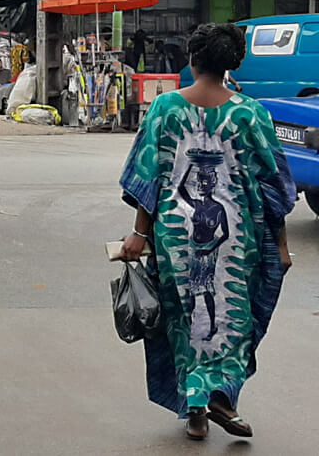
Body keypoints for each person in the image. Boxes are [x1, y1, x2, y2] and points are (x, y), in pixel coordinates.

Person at [118, 23, 295, 442]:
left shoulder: (164, 109)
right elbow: (274, 187)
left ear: (192, 61)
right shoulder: (251, 114)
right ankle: (220, 399)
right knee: (231, 319)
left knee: (184, 322)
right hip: (239, 242)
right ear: (231, 64)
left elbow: (150, 178)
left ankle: (196, 408)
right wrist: (282, 247)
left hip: (177, 242)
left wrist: (139, 234)